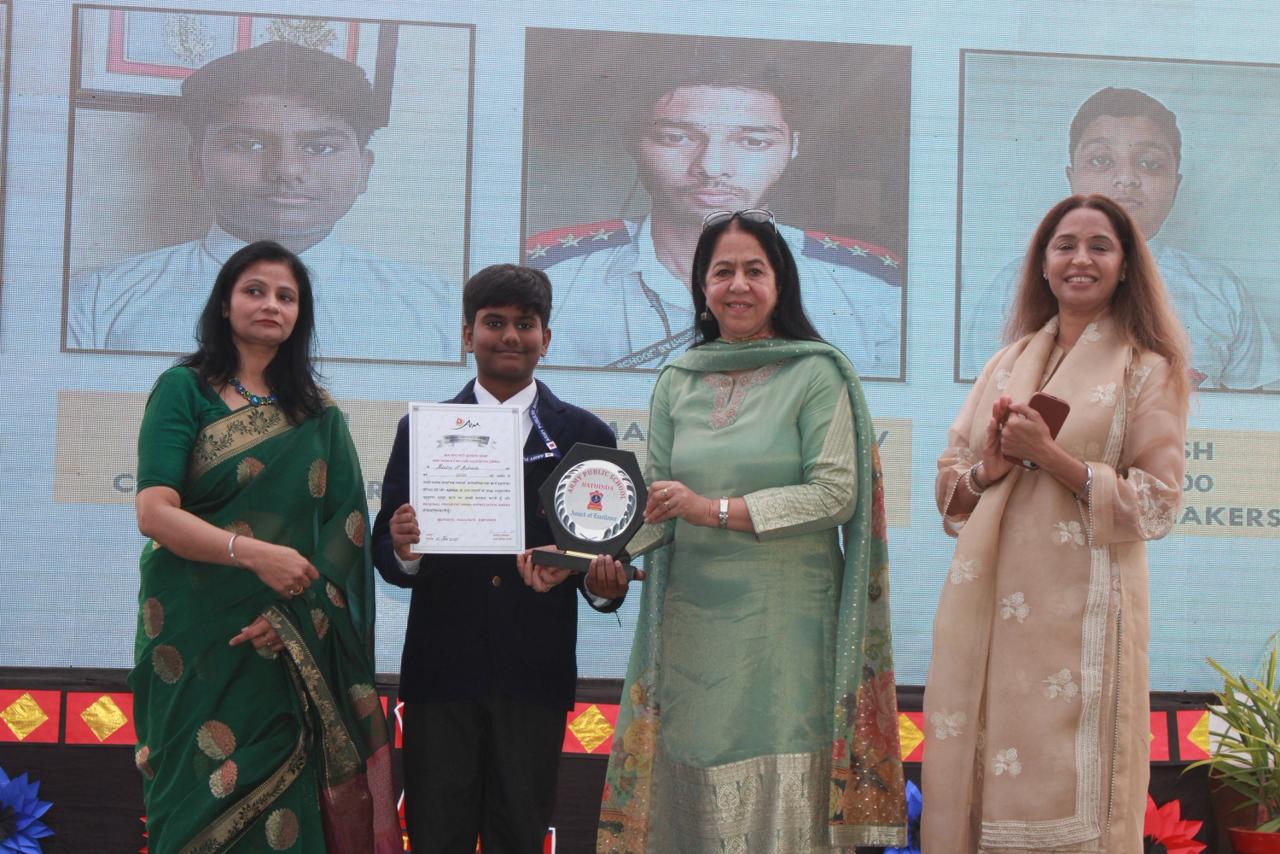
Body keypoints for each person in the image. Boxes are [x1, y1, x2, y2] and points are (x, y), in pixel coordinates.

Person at [577, 210, 906, 852]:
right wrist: (582, 556)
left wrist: (713, 510)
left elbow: (834, 495)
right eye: (722, 271)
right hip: (694, 627)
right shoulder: (679, 379)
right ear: (702, 286)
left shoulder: (817, 372)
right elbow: (658, 506)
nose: (738, 285)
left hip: (787, 628)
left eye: (755, 270)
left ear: (780, 283)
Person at [925, 194, 1191, 852]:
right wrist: (989, 468)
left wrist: (1052, 458)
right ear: (1043, 265)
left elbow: (1157, 504)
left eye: (1100, 246)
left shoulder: (1147, 369)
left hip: (1084, 619)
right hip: (992, 607)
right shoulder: (1005, 364)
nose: (1080, 259)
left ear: (1125, 267)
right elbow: (951, 493)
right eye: (1064, 245)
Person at [129, 240, 399, 852]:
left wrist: (292, 618)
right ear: (225, 304)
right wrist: (252, 554)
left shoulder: (319, 416)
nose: (271, 304)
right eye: (254, 290)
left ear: (300, 315)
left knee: (288, 815)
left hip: (284, 641)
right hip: (196, 638)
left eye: (286, 296)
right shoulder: (183, 390)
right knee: (191, 799)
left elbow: (346, 530)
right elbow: (154, 512)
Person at [371, 264, 629, 854]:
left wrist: (603, 583)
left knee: (519, 834)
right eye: (494, 323)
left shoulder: (586, 435)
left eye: (525, 323)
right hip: (442, 672)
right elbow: (386, 552)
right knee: (436, 836)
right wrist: (405, 550)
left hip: (533, 674)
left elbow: (601, 558)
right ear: (468, 335)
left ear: (546, 338)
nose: (510, 336)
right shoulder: (422, 430)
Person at [68, 39, 456, 362]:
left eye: (320, 147)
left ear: (364, 170)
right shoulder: (97, 302)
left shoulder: (440, 311)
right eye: (248, 144)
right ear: (197, 164)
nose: (286, 170)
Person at [526, 70, 903, 376]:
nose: (711, 167)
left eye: (752, 142)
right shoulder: (552, 274)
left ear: (793, 147)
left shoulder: (873, 288)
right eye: (676, 138)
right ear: (634, 142)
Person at [960, 86, 1280, 388]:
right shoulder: (1017, 285)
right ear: (1072, 178)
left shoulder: (1219, 291)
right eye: (1101, 161)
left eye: (1149, 163)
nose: (1126, 179)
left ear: (1175, 183)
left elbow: (1259, 413)